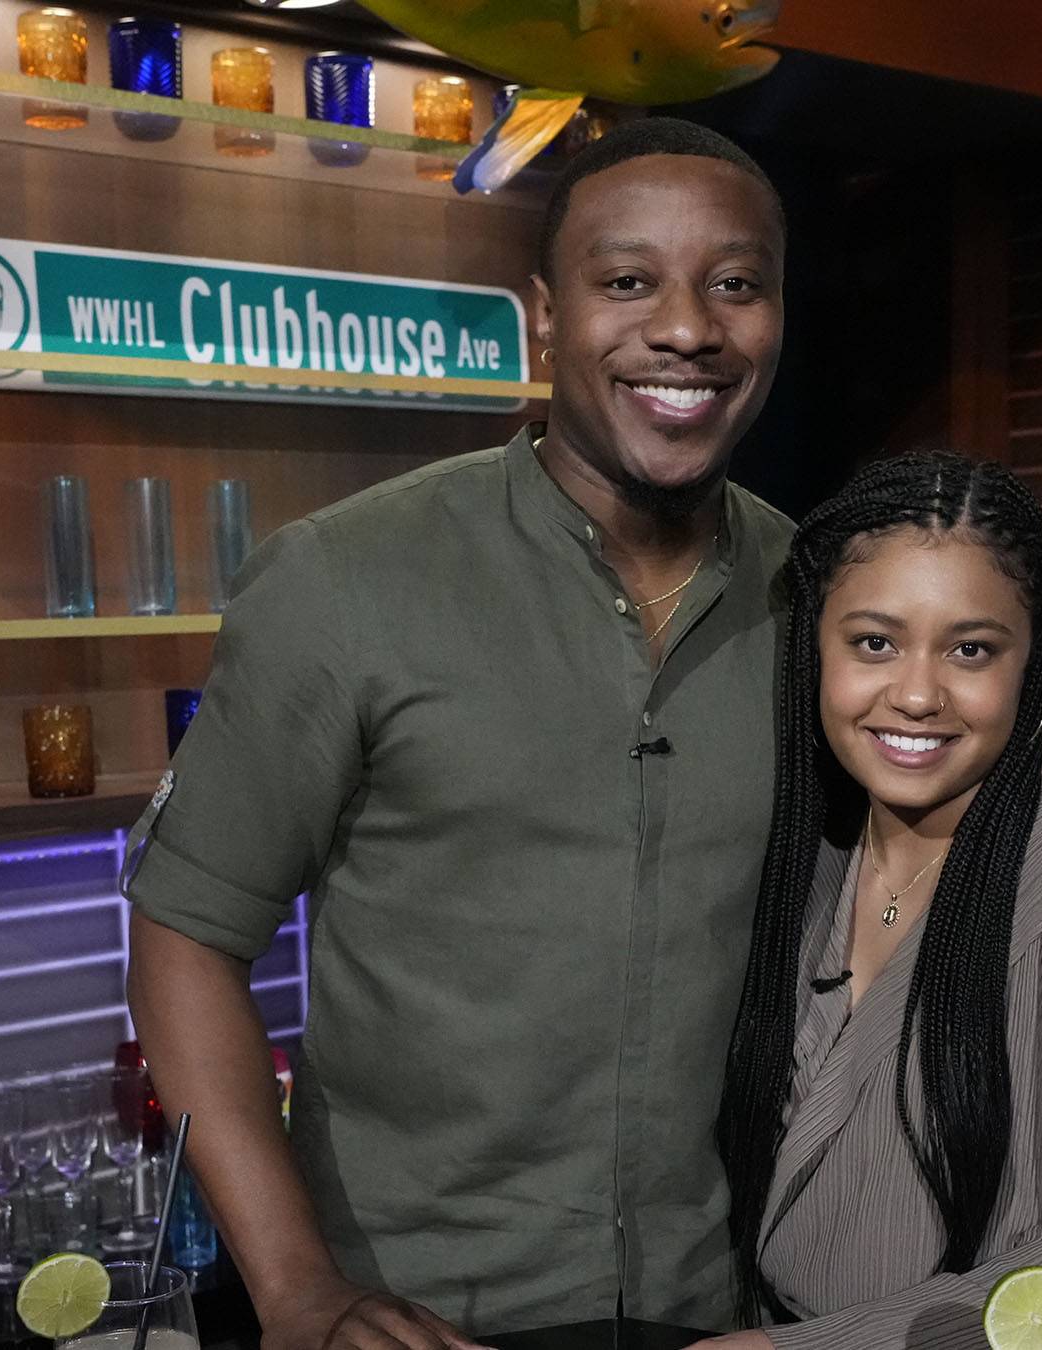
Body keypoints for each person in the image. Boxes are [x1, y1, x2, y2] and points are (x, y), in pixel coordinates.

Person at [122, 116, 790, 1350]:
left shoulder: (820, 599)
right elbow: (183, 937)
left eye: (735, 284)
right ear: (545, 317)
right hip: (418, 1315)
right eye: (627, 281)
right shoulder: (346, 580)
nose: (687, 328)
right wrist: (297, 1290)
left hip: (715, 1309)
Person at [705, 454, 1042, 1349]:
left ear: (1032, 668)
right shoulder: (803, 858)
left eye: (970, 650)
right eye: (874, 642)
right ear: (815, 650)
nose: (915, 694)